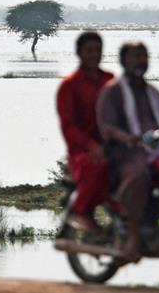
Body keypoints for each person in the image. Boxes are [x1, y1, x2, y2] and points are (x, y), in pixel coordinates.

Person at [97, 41, 159, 261]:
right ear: (124, 60)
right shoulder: (113, 91)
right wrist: (126, 137)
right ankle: (133, 238)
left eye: (144, 56)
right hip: (123, 155)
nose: (141, 61)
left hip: (153, 154)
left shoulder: (152, 92)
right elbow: (106, 126)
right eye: (135, 56)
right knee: (140, 175)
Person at [56, 31, 114, 234]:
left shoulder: (110, 80)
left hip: (112, 144)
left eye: (98, 50)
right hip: (82, 151)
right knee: (96, 166)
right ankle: (80, 212)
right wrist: (91, 145)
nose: (94, 55)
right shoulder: (69, 85)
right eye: (89, 50)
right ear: (79, 53)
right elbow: (68, 127)